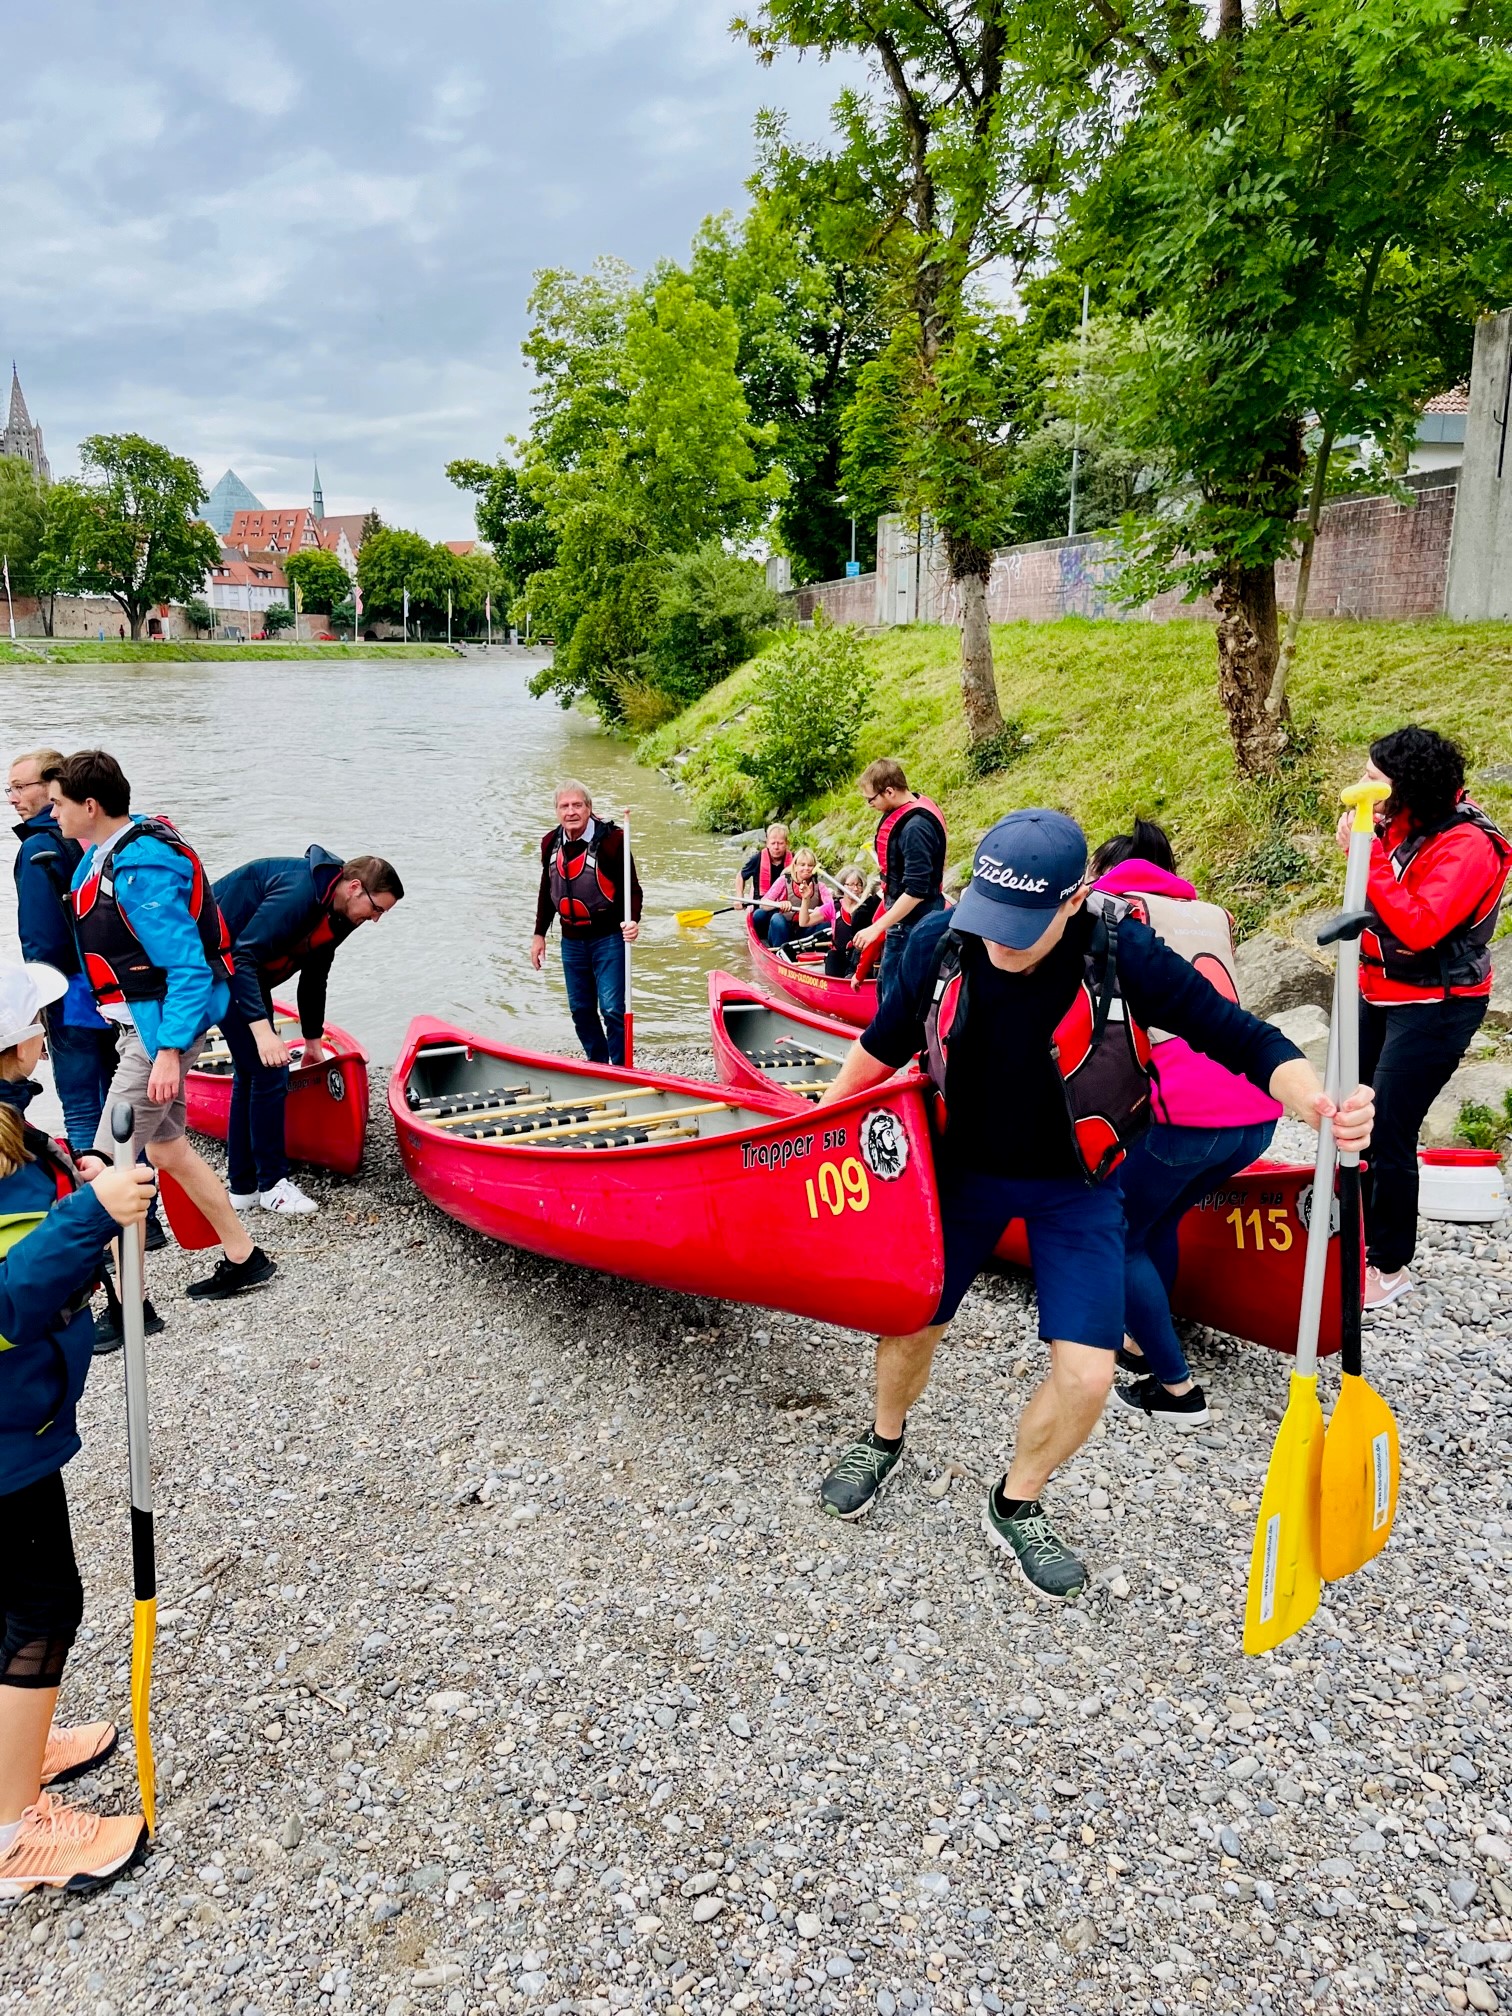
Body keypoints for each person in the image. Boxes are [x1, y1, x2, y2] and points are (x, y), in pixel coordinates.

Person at [814, 808, 1374, 1601]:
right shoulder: (945, 941)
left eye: (1021, 924)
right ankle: (882, 1438)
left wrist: (1317, 1102)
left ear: (1074, 900)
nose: (999, 941)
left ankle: (1016, 1501)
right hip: (961, 1177)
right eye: (989, 917)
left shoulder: (1121, 952)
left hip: (1075, 1189)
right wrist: (814, 1124)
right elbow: (883, 1042)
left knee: (1088, 1376)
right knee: (911, 1321)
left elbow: (1241, 1039)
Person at [0, 961, 157, 1898]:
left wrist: (77, 1187)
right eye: (34, 1025)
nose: (45, 1036)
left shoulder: (14, 1125)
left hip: (15, 1420)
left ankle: (15, 1742)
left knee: (11, 1600)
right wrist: (91, 1216)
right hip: (5, 1433)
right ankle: (15, 1828)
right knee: (43, 1608)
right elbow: (11, 1296)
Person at [48, 750, 276, 1315]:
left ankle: (130, 1309)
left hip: (157, 1036)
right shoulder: (109, 851)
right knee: (167, 1147)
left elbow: (191, 968)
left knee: (106, 1166)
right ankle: (246, 1258)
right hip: (144, 1030)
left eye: (57, 804)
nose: (51, 815)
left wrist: (170, 1051)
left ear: (91, 805)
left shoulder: (140, 869)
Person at [1088, 818, 1282, 1428]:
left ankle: (1177, 1390)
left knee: (1116, 1232)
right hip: (1255, 1111)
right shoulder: (1210, 914)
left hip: (1185, 1113)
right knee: (1158, 1219)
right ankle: (1143, 1339)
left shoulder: (1114, 913)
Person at [1339, 726, 1511, 1309]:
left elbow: (1418, 925)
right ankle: (1353, 1240)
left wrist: (1366, 858)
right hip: (1377, 991)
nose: (1362, 786)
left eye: (1372, 779)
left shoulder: (1469, 846)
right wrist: (1362, 841)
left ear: (1408, 787)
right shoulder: (1400, 822)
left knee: (1387, 1129)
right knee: (1350, 1119)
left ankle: (1388, 1266)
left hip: (1438, 1006)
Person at [9, 748, 165, 1262]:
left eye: (23, 788)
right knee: (121, 1103)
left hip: (71, 997)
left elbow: (40, 943)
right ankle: (147, 1212)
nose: (15, 799)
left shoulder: (38, 853)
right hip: (114, 993)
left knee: (80, 1106)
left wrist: (35, 1008)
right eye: (9, 790)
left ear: (53, 786)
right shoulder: (97, 841)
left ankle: (101, 1214)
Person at [212, 849, 403, 1215]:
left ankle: (244, 1188)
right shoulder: (300, 892)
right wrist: (262, 1030)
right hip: (218, 967)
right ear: (355, 887)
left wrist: (313, 1042)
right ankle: (271, 1185)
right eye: (377, 909)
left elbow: (316, 973)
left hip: (243, 974)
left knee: (253, 1074)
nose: (376, 920)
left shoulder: (343, 912)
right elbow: (243, 956)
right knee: (269, 1070)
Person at [530, 781, 642, 1067]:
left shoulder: (614, 841)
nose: (571, 812)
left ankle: (620, 1067)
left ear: (589, 808)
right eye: (564, 806)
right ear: (556, 811)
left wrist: (632, 921)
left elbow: (632, 890)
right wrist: (539, 934)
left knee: (613, 1008)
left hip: (609, 937)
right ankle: (598, 1062)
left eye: (577, 805)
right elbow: (548, 888)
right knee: (580, 1009)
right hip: (572, 940)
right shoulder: (549, 843)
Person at [850, 759, 947, 997]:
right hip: (903, 916)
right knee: (888, 985)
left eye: (871, 799)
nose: (869, 804)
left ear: (890, 791)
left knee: (893, 994)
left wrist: (876, 928)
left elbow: (916, 890)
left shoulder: (915, 828)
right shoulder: (909, 806)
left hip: (912, 922)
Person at [761, 848, 834, 953]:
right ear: (795, 866)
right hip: (784, 930)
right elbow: (763, 904)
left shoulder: (820, 886)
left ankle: (818, 953)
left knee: (827, 924)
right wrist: (778, 904)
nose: (807, 868)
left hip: (806, 933)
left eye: (810, 865)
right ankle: (781, 954)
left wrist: (822, 909)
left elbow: (831, 907)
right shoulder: (783, 881)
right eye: (802, 865)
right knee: (776, 918)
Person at [738, 825, 793, 943]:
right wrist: (739, 897)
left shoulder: (795, 861)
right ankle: (765, 941)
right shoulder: (757, 859)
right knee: (758, 915)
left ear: (787, 843)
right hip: (763, 907)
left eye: (780, 843)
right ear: (767, 843)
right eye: (773, 843)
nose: (776, 847)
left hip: (788, 907)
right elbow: (741, 876)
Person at [825, 866, 881, 979]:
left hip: (868, 958)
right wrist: (806, 899)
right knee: (832, 956)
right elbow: (804, 922)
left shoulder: (868, 907)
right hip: (844, 956)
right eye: (851, 885)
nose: (855, 889)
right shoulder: (860, 912)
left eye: (859, 885)